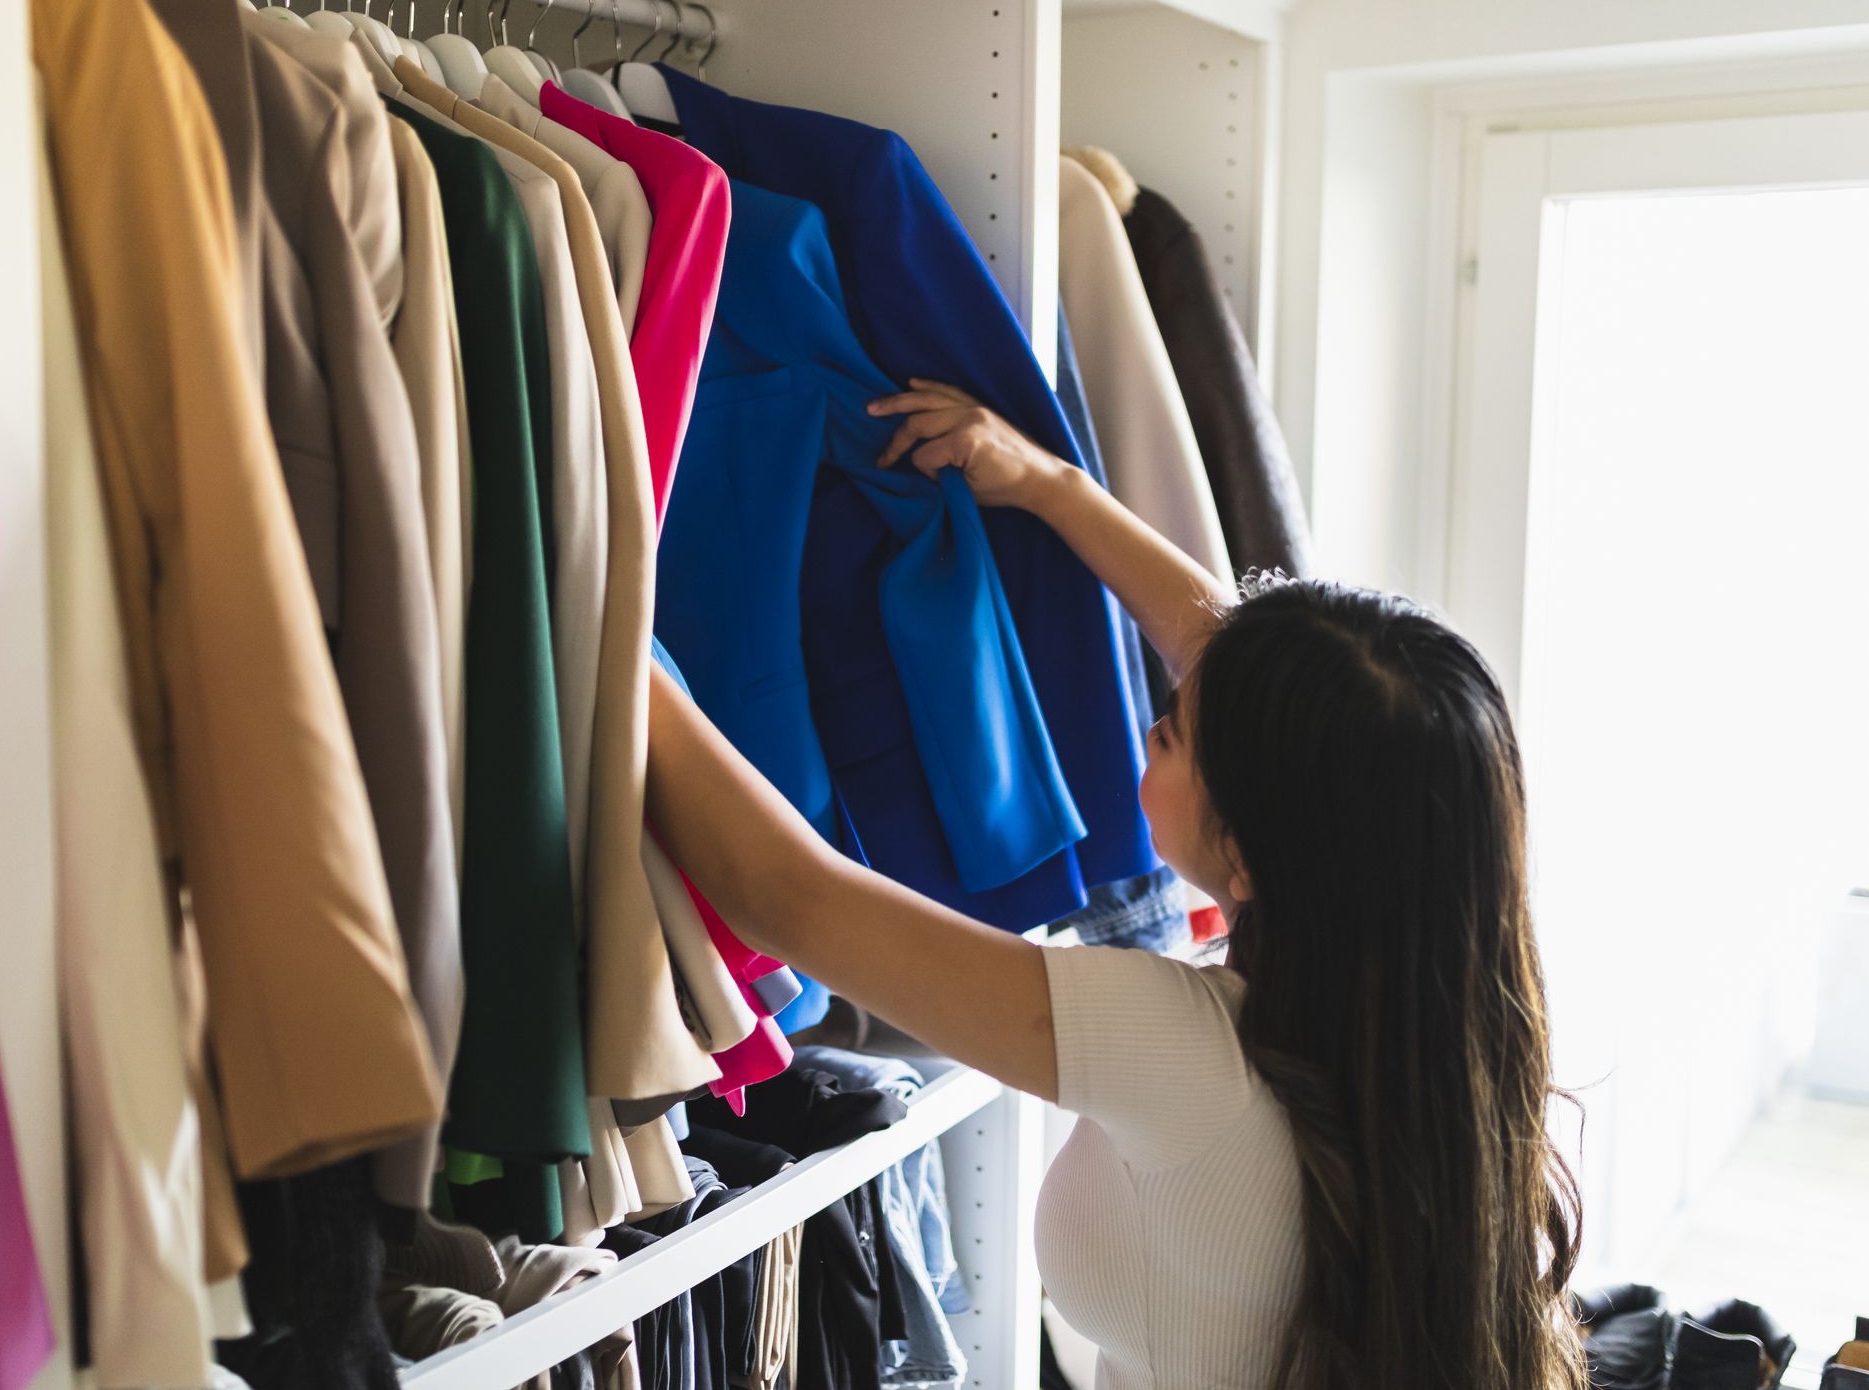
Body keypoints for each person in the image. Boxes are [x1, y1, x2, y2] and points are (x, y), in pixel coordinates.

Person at [642, 380, 1587, 1390]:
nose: (1152, 720)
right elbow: (1240, 679)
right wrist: (1050, 486)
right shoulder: (1450, 1060)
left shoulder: (1184, 1050)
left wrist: (587, 601)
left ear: (1261, 854)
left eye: (1174, 731)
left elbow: (790, 896)